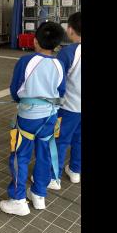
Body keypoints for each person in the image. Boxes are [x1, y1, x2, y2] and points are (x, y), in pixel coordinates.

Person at [0, 21, 66, 216]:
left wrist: (22, 99)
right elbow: (61, 91)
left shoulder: (26, 61)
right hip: (50, 117)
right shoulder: (59, 64)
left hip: (28, 118)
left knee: (20, 156)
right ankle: (39, 194)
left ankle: (18, 199)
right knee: (45, 153)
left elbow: (15, 90)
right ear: (57, 45)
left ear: (35, 41)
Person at [48, 12, 81, 189]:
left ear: (70, 30)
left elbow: (56, 81)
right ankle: (75, 171)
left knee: (59, 140)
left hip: (68, 108)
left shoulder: (68, 52)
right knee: (79, 140)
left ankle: (54, 177)